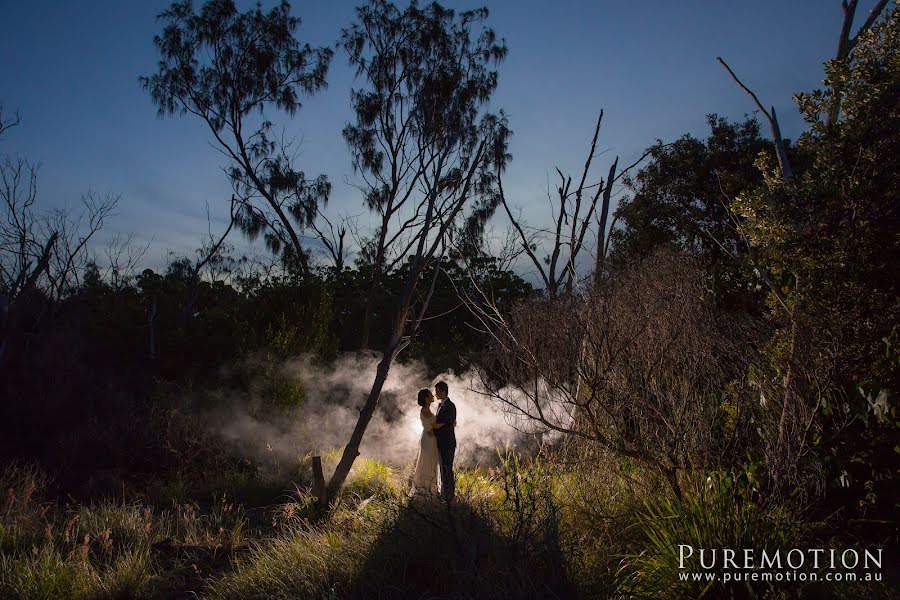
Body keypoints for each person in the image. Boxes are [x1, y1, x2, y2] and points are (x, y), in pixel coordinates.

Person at [409, 388, 439, 495]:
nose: (433, 396)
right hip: (429, 439)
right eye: (431, 395)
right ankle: (425, 491)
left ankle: (429, 490)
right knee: (428, 463)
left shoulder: (427, 410)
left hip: (430, 438)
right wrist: (449, 423)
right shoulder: (426, 410)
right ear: (426, 399)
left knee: (430, 463)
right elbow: (435, 425)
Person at [433, 380, 456, 501]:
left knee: (447, 468)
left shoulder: (450, 406)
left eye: (437, 391)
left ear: (443, 391)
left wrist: (435, 428)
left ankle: (449, 496)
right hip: (441, 443)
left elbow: (448, 424)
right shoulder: (440, 405)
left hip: (447, 443)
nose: (435, 394)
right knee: (443, 468)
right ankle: (444, 494)